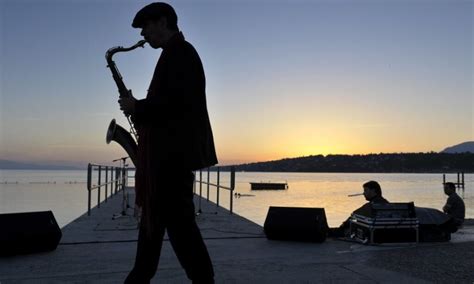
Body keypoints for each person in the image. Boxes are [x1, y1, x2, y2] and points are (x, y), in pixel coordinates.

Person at [118, 3, 217, 283]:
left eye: (146, 27)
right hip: (165, 161)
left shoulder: (182, 53)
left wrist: (138, 107)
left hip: (171, 162)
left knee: (182, 236)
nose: (144, 34)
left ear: (162, 22)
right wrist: (141, 110)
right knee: (158, 237)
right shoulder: (173, 54)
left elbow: (176, 103)